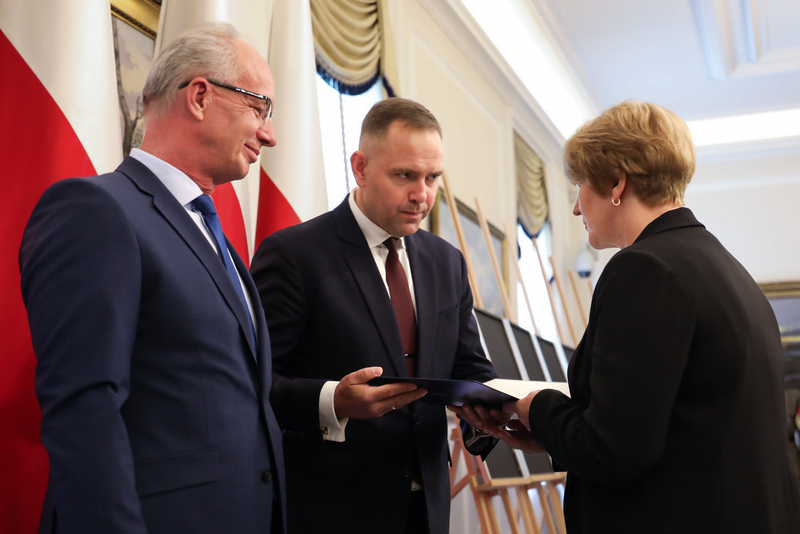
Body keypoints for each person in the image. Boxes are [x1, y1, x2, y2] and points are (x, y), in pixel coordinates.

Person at [452, 101, 800, 533]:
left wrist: (536, 407)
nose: (577, 209)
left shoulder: (643, 269)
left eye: (579, 184)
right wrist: (548, 436)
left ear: (616, 182)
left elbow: (615, 450)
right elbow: (673, 427)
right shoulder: (727, 270)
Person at [20, 23, 286, 534]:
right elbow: (85, 411)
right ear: (201, 97)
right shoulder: (96, 210)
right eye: (259, 109)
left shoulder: (220, 241)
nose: (269, 134)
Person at [249, 98, 500, 534]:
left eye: (433, 177)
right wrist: (334, 401)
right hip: (331, 509)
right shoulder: (294, 254)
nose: (422, 195)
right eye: (405, 175)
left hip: (429, 508)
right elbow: (255, 383)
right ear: (361, 167)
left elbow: (470, 367)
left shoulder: (447, 261)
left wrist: (494, 411)